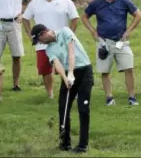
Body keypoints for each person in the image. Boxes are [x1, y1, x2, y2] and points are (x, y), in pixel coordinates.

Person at [31, 24, 94, 153]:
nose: (40, 43)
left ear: (43, 33)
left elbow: (71, 51)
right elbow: (57, 64)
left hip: (84, 71)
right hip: (68, 74)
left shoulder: (65, 31)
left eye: (39, 40)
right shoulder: (49, 49)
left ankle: (83, 145)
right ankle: (65, 143)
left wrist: (71, 72)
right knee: (63, 106)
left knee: (83, 107)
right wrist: (66, 78)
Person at [81, 0, 141, 106]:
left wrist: (129, 31)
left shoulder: (123, 1)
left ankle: (132, 97)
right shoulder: (96, 3)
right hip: (104, 41)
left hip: (121, 41)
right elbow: (84, 16)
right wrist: (93, 31)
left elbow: (138, 15)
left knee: (129, 68)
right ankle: (109, 98)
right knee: (105, 71)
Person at [23, 0, 79, 98]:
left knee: (67, 67)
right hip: (42, 43)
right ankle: (50, 94)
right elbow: (25, 19)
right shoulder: (35, 3)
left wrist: (70, 35)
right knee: (45, 70)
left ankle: (71, 91)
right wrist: (30, 35)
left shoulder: (65, 1)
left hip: (61, 41)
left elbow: (75, 18)